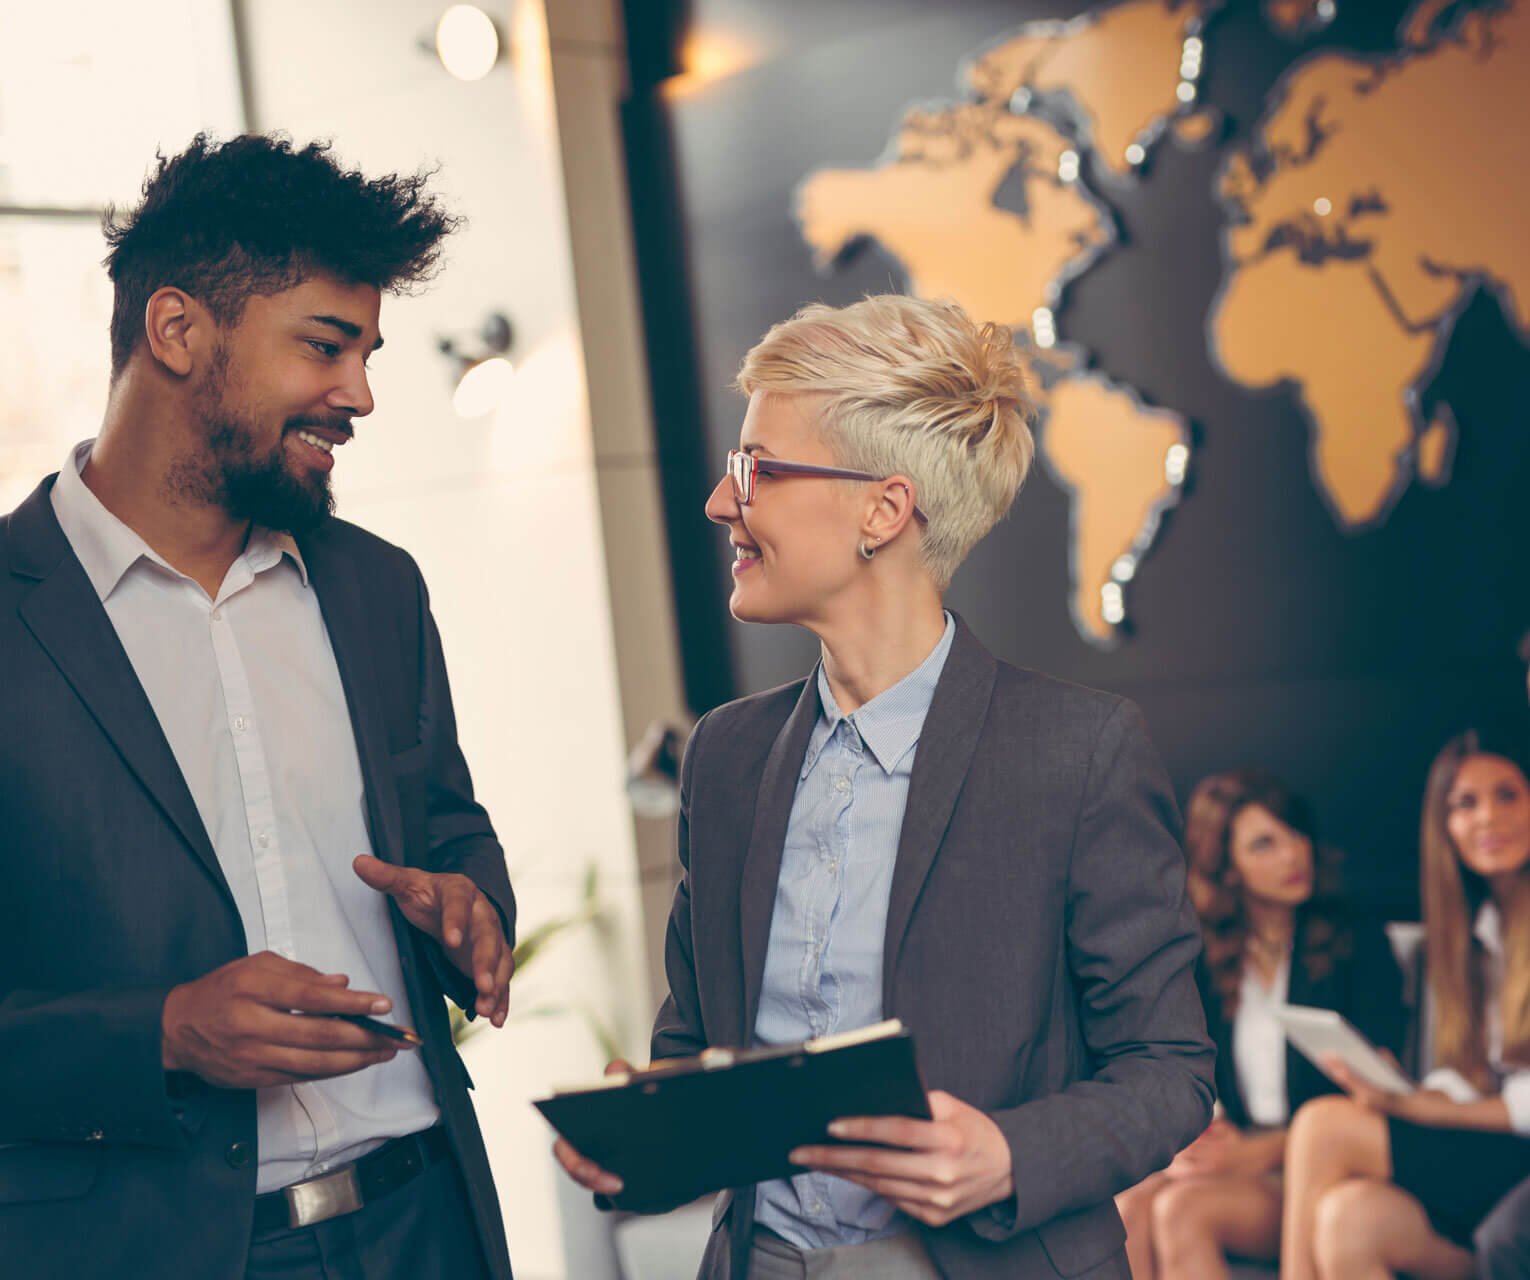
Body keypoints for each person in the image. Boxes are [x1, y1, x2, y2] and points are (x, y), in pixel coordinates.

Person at [557, 294, 1215, 1278]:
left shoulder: (1077, 750)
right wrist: (646, 1135)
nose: (720, 500)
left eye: (760, 467)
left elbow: (1171, 1070)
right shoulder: (727, 757)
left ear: (884, 508)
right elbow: (697, 1045)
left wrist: (1007, 1153)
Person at [0, 134, 517, 1280]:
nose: (362, 394)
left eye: (367, 351)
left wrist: (473, 905)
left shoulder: (378, 585)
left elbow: (451, 827)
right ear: (178, 331)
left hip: (427, 1222)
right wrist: (165, 1030)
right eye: (326, 347)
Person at [1114, 770, 1406, 1278]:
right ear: (1227, 868)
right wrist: (1199, 1137)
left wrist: (1254, 1153)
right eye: (1265, 844)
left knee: (1182, 1211)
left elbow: (1386, 1091)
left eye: (1295, 834)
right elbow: (1177, 1064)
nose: (1293, 855)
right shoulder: (1205, 958)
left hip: (1319, 1168)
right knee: (1130, 1204)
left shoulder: (1357, 943)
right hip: (1243, 1161)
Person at [1279, 730, 1530, 1280]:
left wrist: (1427, 1109)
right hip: (1491, 1157)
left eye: (1507, 794)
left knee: (1323, 1125)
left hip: (1520, 1161)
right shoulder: (1474, 933)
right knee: (1349, 1219)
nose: (1488, 816)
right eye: (1465, 804)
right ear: (1445, 829)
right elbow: (1478, 1073)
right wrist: (1418, 1092)